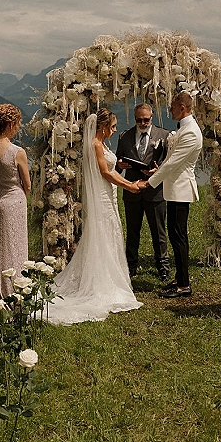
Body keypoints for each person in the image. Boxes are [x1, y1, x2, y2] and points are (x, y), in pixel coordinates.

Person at [48, 108, 143, 325]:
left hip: (107, 194)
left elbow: (109, 168)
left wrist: (120, 167)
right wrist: (130, 185)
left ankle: (108, 276)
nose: (115, 130)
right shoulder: (95, 145)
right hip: (101, 195)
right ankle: (103, 281)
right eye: (112, 126)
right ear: (102, 127)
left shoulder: (102, 145)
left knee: (109, 233)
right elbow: (105, 173)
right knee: (105, 232)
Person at [138, 92, 203, 298]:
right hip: (174, 189)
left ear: (183, 107)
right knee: (175, 236)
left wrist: (150, 182)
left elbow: (175, 163)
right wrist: (157, 169)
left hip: (181, 190)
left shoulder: (191, 132)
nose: (170, 111)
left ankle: (184, 285)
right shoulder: (184, 129)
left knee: (179, 237)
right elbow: (171, 159)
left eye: (173, 107)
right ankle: (179, 278)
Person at [0, 103, 31, 301]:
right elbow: (27, 184)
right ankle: (14, 295)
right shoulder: (17, 152)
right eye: (17, 124)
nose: (17, 128)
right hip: (13, 204)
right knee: (15, 250)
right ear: (10, 124)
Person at [116, 103, 171, 280]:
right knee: (132, 231)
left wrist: (158, 170)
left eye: (146, 119)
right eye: (139, 120)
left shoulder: (164, 135)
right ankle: (130, 266)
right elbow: (116, 164)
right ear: (134, 118)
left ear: (152, 117)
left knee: (159, 231)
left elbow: (170, 163)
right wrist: (119, 164)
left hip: (155, 191)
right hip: (132, 190)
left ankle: (163, 265)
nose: (142, 123)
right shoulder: (125, 136)